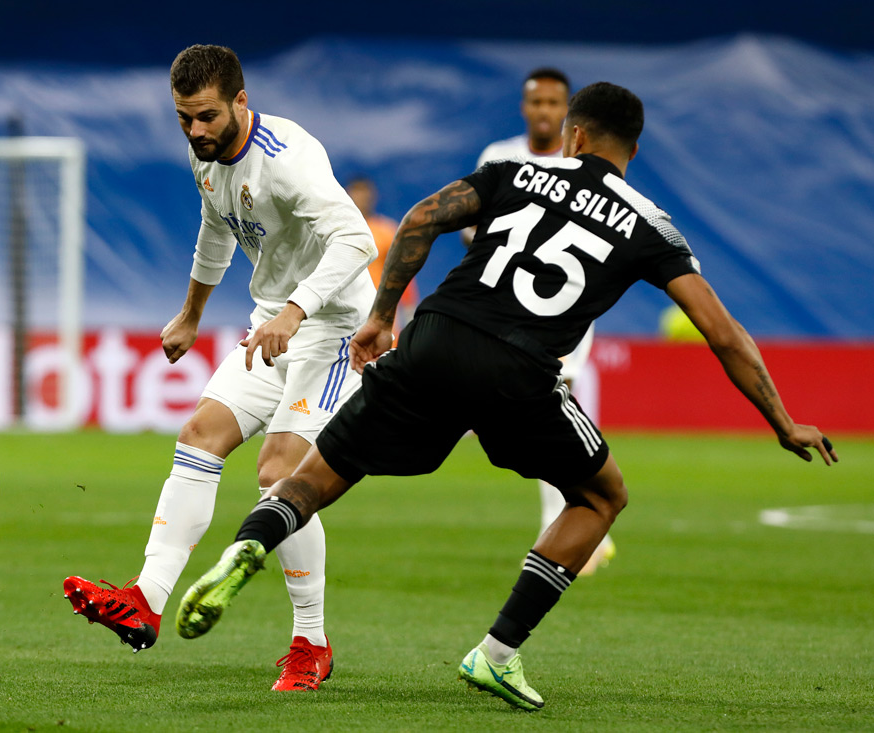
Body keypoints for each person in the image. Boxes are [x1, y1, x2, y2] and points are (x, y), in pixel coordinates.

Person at [174, 82, 838, 710]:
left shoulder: (517, 172)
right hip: (519, 371)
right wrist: (782, 422)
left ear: (574, 136)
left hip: (434, 337)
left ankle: (250, 544)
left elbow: (420, 219)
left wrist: (380, 316)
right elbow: (721, 331)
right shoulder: (651, 225)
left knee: (312, 478)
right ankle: (497, 650)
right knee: (603, 495)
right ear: (631, 150)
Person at [63, 44, 378, 692]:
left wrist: (295, 311)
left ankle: (310, 642)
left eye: (206, 116)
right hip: (275, 324)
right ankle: (146, 600)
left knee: (280, 471)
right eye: (184, 119)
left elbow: (355, 239)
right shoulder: (206, 154)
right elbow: (216, 228)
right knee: (200, 436)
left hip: (335, 333)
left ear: (240, 101)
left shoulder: (289, 162)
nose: (196, 131)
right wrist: (190, 315)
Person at [468, 67, 615, 574]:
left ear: (568, 111)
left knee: (552, 410)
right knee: (531, 416)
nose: (545, 111)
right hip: (503, 308)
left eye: (555, 103)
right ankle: (585, 520)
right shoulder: (499, 157)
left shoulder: (587, 166)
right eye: (537, 102)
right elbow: (471, 225)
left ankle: (571, 525)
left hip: (563, 310)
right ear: (526, 107)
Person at [345, 175, 420, 329]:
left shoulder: (387, 230)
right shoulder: (337, 231)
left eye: (365, 193)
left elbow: (402, 273)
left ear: (373, 196)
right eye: (356, 192)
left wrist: (410, 313)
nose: (361, 198)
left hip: (382, 321)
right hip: (345, 319)